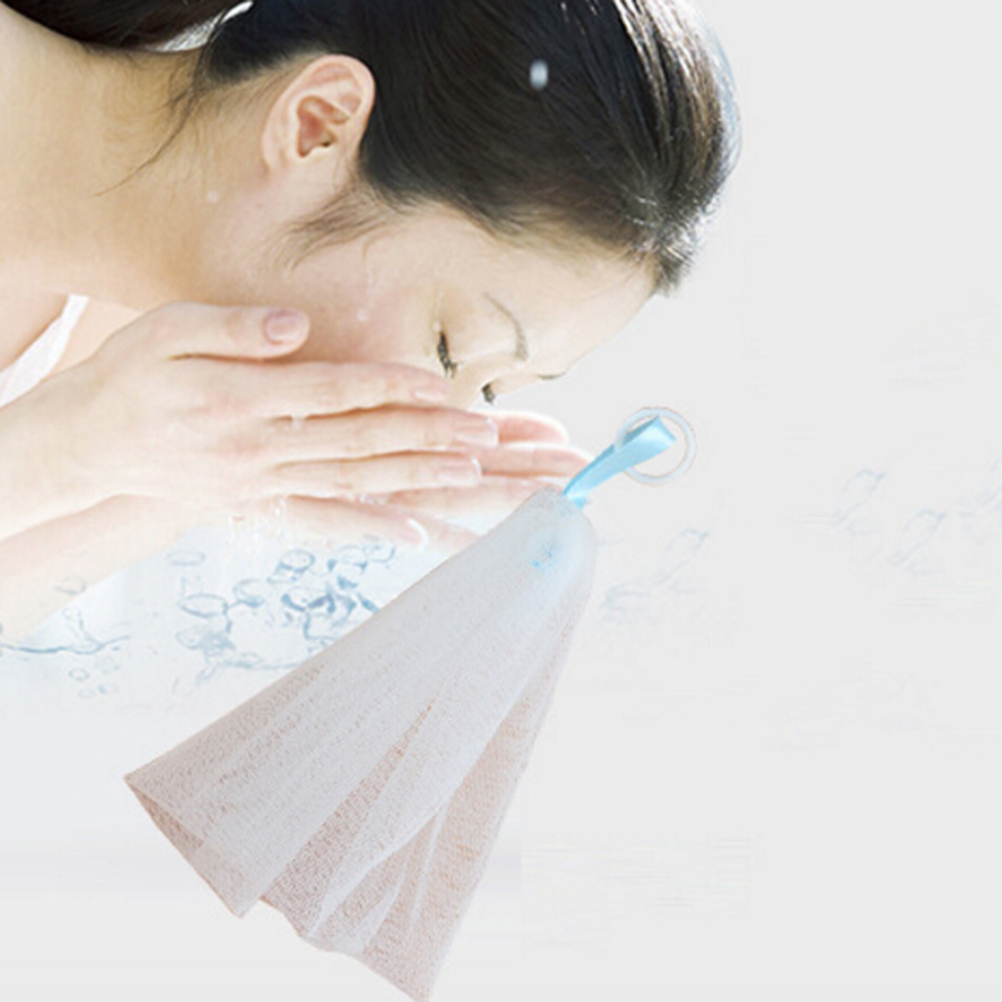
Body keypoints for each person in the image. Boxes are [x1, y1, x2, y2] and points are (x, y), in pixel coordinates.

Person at [0, 0, 739, 642]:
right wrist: (69, 451)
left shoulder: (113, 350)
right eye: (449, 350)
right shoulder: (92, 398)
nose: (433, 422)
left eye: (488, 392)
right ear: (318, 124)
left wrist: (180, 491)